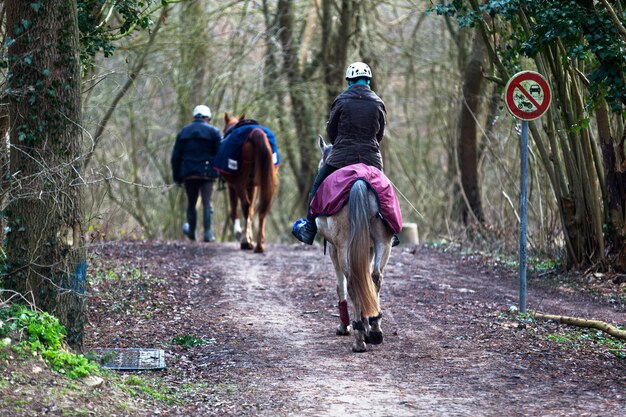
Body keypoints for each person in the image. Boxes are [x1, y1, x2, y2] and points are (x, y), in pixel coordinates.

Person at [292, 61, 392, 245]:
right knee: (385, 191)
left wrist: (341, 143)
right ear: (368, 81)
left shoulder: (341, 100)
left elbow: (331, 132)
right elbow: (380, 134)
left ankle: (309, 229)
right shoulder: (378, 103)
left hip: (340, 158)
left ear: (349, 81)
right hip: (371, 159)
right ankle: (389, 230)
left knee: (316, 187)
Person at [171, 104, 222, 242]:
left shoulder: (183, 132)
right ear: (207, 118)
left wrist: (177, 177)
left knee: (191, 203)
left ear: (194, 117)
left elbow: (176, 157)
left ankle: (192, 233)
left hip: (189, 173)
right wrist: (221, 174)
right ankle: (207, 233)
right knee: (207, 202)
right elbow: (220, 154)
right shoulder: (214, 132)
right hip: (207, 174)